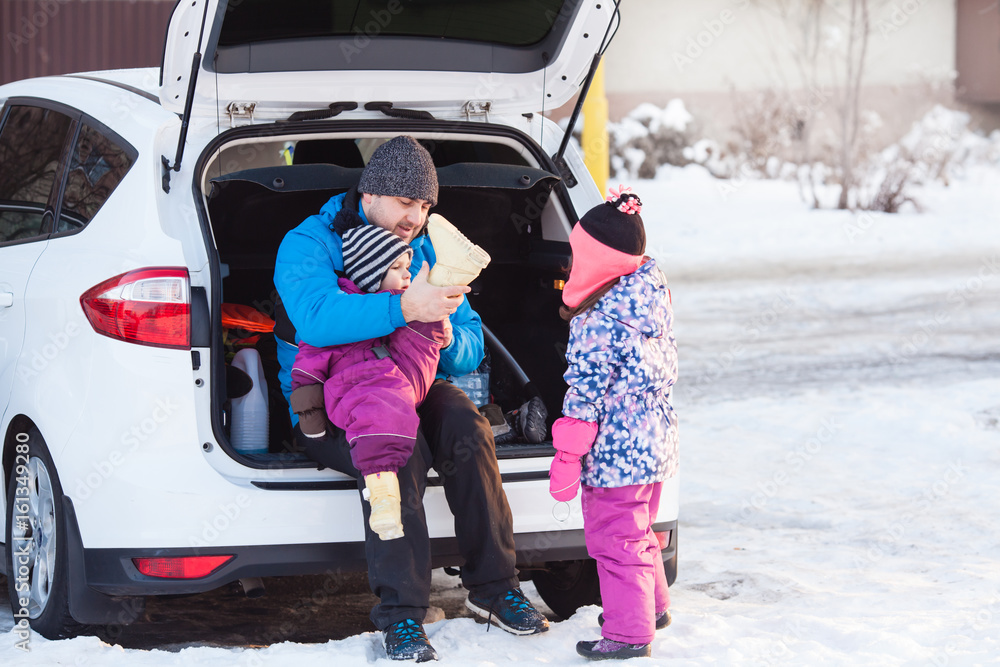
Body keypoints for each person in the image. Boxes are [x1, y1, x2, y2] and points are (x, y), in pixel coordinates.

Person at [273, 135, 549, 663]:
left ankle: (495, 588)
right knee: (399, 449)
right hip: (335, 401)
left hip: (413, 383)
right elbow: (317, 318)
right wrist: (407, 308)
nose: (416, 219)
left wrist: (442, 335)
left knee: (469, 425)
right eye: (406, 203)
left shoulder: (426, 249)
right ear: (371, 193)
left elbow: (471, 340)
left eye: (425, 206)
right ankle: (402, 617)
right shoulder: (309, 243)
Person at [547, 186, 678, 661]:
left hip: (617, 452)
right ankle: (652, 607)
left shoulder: (597, 320)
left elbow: (584, 396)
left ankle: (627, 633)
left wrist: (566, 458)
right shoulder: (648, 290)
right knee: (639, 531)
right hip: (656, 440)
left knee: (615, 540)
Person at [289, 224, 447, 541]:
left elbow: (433, 345)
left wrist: (437, 313)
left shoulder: (407, 306)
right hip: (354, 388)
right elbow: (308, 367)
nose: (406, 275)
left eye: (408, 267)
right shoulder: (343, 311)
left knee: (396, 403)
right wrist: (311, 418)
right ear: (373, 274)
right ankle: (383, 500)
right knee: (379, 411)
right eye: (397, 268)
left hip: (401, 386)